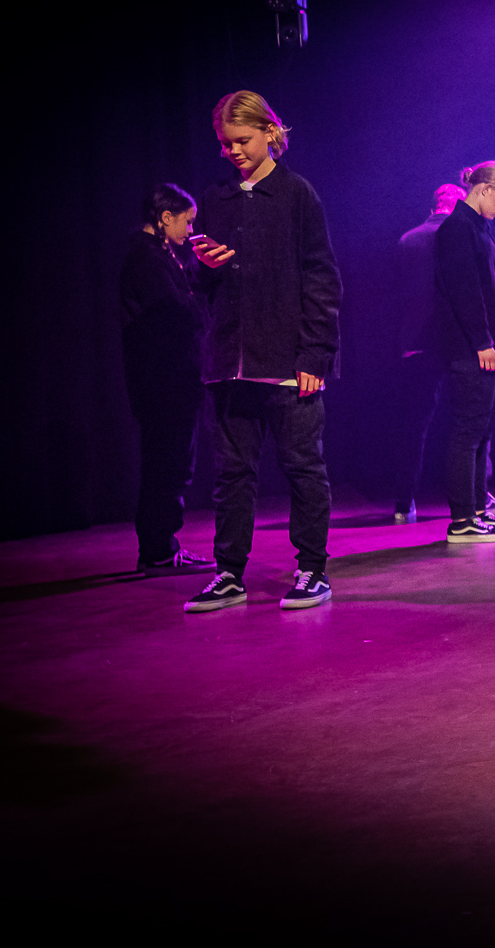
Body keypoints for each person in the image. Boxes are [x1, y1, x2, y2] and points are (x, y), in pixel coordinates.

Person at [183, 90, 342, 613]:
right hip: (229, 365)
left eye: (242, 140)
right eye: (225, 143)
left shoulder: (297, 194)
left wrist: (315, 354)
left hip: (287, 364)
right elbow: (200, 286)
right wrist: (204, 268)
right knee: (232, 474)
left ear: (270, 133)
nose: (233, 151)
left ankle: (312, 569)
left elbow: (322, 278)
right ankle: (229, 574)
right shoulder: (215, 198)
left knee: (302, 468)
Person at [432, 162, 495, 544]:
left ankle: (477, 512)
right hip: (473, 349)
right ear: (485, 188)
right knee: (468, 431)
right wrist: (481, 342)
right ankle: (463, 519)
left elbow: (478, 288)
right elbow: (463, 293)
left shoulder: (477, 230)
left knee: (483, 430)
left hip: (490, 345)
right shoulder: (457, 229)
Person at [120, 183, 213, 573]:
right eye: (187, 222)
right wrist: (199, 309)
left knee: (170, 464)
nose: (190, 231)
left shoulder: (158, 256)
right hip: (164, 383)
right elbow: (174, 313)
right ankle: (159, 549)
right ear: (165, 217)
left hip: (166, 381)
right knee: (168, 465)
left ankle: (160, 547)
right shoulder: (147, 259)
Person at [392, 182, 465, 524]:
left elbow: (399, 294)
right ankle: (472, 500)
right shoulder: (459, 236)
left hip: (414, 341)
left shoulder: (407, 239)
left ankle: (403, 503)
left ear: (434, 203)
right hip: (453, 340)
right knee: (468, 421)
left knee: (413, 425)